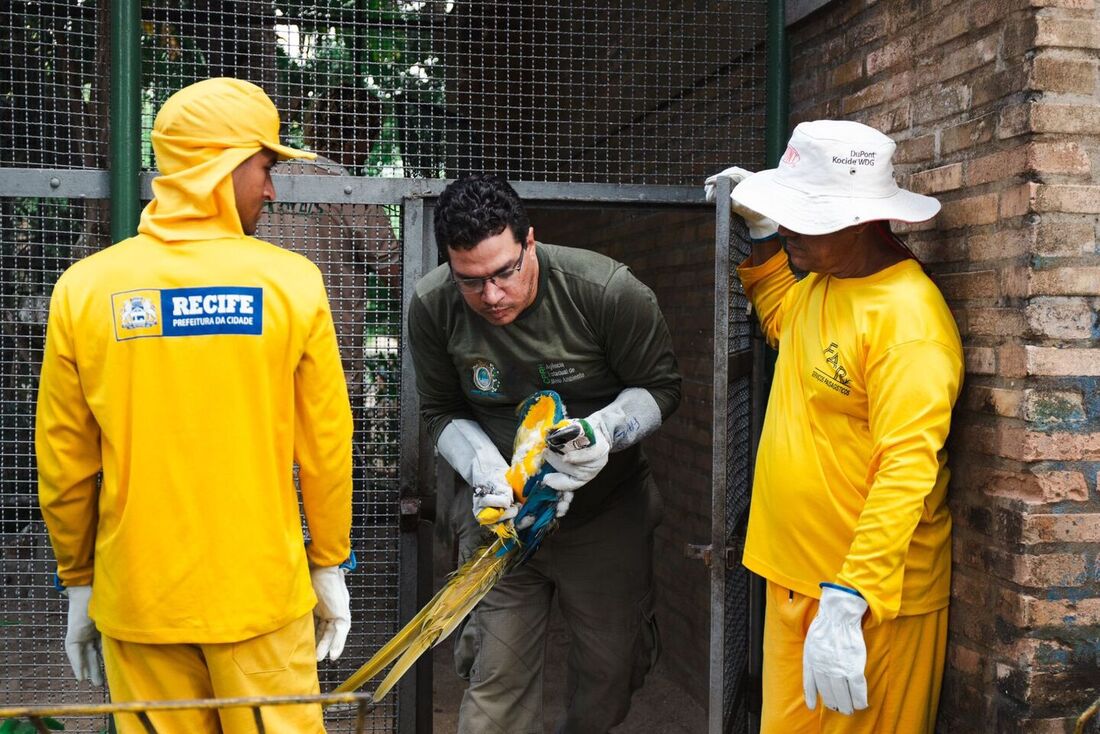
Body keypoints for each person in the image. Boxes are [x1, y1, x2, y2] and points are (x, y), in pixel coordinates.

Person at [36, 78, 355, 734]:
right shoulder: (291, 285)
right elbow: (325, 443)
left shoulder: (84, 291)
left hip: (139, 607)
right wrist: (327, 561)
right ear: (223, 165)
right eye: (265, 167)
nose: (270, 188)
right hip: (261, 603)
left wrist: (79, 580)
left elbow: (65, 459)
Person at [706, 119, 964, 733]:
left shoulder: (909, 322)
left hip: (866, 604)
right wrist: (764, 233)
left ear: (856, 219)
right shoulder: (825, 282)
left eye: (801, 217)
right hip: (798, 584)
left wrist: (852, 600)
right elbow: (783, 319)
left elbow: (907, 467)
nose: (792, 228)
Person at [407, 173, 681, 733]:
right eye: (471, 281)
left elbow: (661, 388)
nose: (492, 295)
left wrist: (606, 431)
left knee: (611, 673)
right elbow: (438, 410)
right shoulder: (433, 305)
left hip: (604, 513)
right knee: (494, 679)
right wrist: (481, 464)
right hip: (500, 520)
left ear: (530, 241)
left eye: (505, 271)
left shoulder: (605, 291)